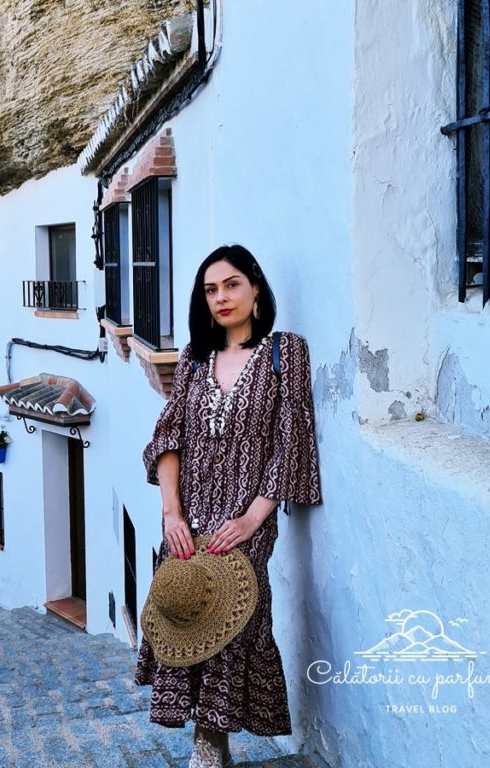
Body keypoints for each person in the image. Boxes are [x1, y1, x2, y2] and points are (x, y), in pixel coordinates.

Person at [135, 245, 323, 768]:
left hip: (247, 517)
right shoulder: (196, 359)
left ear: (256, 288)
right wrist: (172, 514)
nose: (221, 297)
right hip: (188, 516)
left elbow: (291, 442)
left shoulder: (286, 352)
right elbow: (167, 437)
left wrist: (254, 517)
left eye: (232, 284)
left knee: (236, 616)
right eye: (210, 289)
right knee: (187, 605)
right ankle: (205, 742)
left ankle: (212, 740)